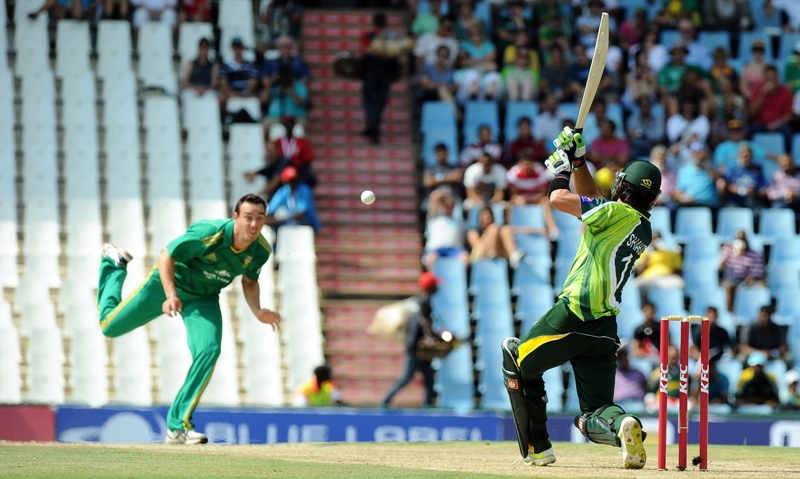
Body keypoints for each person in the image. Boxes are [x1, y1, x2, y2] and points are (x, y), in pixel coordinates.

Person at [502, 127, 662, 469]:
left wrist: (560, 170)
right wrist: (578, 162)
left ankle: (539, 448)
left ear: (621, 187)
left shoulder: (614, 214)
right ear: (652, 200)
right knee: (594, 414)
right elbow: (594, 201)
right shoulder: (640, 227)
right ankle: (622, 426)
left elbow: (559, 199)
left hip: (575, 313)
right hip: (605, 330)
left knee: (515, 359)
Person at [97, 194, 280, 444]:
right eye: (248, 218)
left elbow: (249, 281)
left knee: (210, 350)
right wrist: (171, 294)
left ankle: (177, 426)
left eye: (259, 219)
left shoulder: (260, 250)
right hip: (167, 285)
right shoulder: (209, 233)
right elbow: (166, 257)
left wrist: (258, 311)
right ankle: (113, 264)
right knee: (109, 327)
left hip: (203, 297)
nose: (254, 225)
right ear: (235, 217)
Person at [380, 272, 440, 408]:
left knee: (428, 377)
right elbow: (425, 323)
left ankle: (428, 405)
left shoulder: (420, 302)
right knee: (407, 377)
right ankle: (385, 401)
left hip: (419, 346)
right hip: (416, 346)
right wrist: (436, 337)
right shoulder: (423, 302)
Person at [361, 13, 411, 144]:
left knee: (369, 100)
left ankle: (372, 125)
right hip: (386, 75)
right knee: (379, 102)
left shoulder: (369, 36)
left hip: (371, 73)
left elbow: (364, 52)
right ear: (386, 22)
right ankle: (374, 127)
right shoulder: (393, 36)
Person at [718, 231, 765, 312]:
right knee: (729, 287)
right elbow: (720, 268)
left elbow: (756, 273)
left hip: (748, 280)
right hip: (732, 280)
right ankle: (730, 313)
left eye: (743, 239)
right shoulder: (728, 250)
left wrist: (744, 284)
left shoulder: (755, 254)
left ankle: (757, 313)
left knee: (762, 287)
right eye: (739, 239)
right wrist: (728, 254)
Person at [423, 189, 469, 271]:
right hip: (436, 249)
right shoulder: (434, 217)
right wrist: (446, 195)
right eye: (446, 205)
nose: (448, 207)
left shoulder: (459, 220)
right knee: (432, 259)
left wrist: (452, 199)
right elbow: (434, 197)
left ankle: (457, 281)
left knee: (465, 258)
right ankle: (435, 282)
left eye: (451, 205)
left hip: (454, 249)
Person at [265, 166, 320, 233]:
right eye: (288, 181)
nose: (291, 183)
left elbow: (301, 214)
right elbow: (271, 209)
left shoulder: (304, 190)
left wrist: (279, 220)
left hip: (307, 224)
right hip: (288, 222)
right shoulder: (284, 191)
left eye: (293, 180)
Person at [632, 231, 684, 300]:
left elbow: (678, 271)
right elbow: (638, 272)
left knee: (680, 283)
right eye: (653, 239)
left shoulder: (671, 253)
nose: (656, 241)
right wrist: (647, 259)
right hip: (649, 279)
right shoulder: (645, 254)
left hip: (666, 278)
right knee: (635, 285)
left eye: (658, 239)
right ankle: (646, 307)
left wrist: (666, 254)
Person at [181, 38, 219, 105]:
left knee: (213, 97)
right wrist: (196, 89)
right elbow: (186, 82)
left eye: (206, 48)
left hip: (207, 91)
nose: (204, 51)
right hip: (193, 89)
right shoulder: (191, 64)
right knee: (187, 96)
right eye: (202, 48)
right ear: (199, 49)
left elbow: (214, 83)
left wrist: (204, 89)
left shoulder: (213, 66)